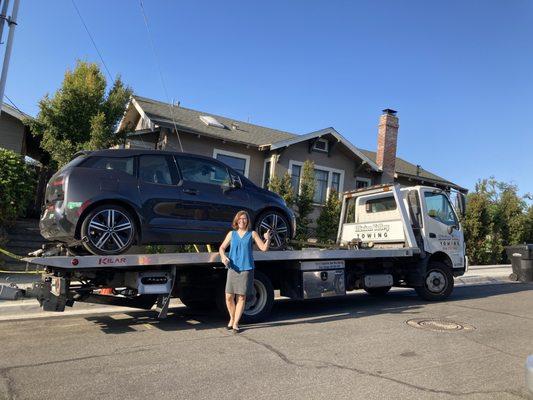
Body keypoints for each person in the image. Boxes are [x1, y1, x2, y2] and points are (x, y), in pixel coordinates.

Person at [219, 210, 271, 333]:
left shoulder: (252, 234)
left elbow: (263, 248)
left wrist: (267, 239)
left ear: (247, 221)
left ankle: (236, 323)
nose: (242, 220)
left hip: (246, 269)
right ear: (236, 220)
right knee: (228, 297)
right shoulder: (231, 234)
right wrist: (223, 256)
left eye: (245, 219)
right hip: (233, 268)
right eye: (240, 218)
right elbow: (222, 247)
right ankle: (232, 318)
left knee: (241, 297)